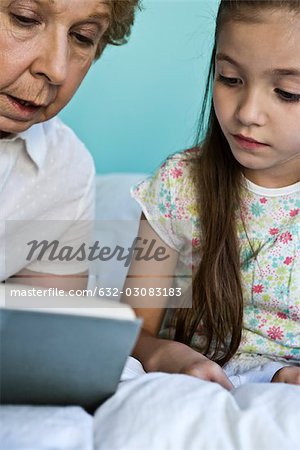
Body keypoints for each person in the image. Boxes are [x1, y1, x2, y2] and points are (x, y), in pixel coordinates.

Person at [125, 0, 300, 387]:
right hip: (196, 379)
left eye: (288, 93)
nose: (248, 112)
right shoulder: (177, 185)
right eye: (230, 78)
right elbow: (133, 329)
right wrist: (163, 352)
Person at [0, 0, 140, 290]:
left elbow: (47, 330)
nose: (56, 69)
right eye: (24, 19)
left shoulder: (65, 169)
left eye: (82, 37)